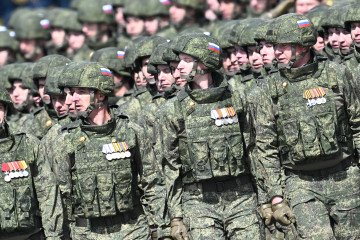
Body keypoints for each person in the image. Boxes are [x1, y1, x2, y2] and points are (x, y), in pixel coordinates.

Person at [255, 13, 360, 239]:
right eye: (275, 47)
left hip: (345, 175)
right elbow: (265, 146)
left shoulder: (337, 74)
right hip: (301, 183)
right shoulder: (269, 89)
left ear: (302, 46)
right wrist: (276, 197)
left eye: (283, 46)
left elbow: (358, 124)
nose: (276, 52)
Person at [161, 33, 260, 239]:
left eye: (187, 61)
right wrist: (176, 217)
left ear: (204, 64)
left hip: (241, 196)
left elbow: (253, 148)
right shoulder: (174, 109)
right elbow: (171, 166)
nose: (179, 67)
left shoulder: (237, 96)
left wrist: (269, 198)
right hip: (198, 201)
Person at [45, 61, 154, 239]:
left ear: (100, 95)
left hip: (134, 230)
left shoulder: (131, 131)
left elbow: (152, 182)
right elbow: (60, 198)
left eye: (79, 92)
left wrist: (163, 227)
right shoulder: (65, 141)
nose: (71, 100)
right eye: (69, 93)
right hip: (88, 233)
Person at [0, 87, 60, 239]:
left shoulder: (27, 143)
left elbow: (47, 193)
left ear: (5, 111)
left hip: (30, 234)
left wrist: (53, 236)